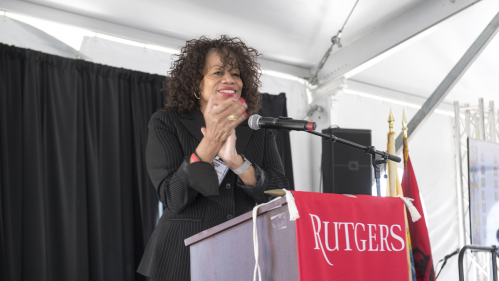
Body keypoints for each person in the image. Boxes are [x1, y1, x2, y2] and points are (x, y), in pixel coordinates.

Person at [137, 35, 289, 281]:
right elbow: (172, 197)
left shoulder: (256, 128)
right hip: (182, 257)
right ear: (196, 82)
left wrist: (237, 163)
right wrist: (210, 145)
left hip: (246, 255)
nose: (229, 79)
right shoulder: (167, 122)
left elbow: (280, 191)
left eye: (236, 74)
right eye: (217, 72)